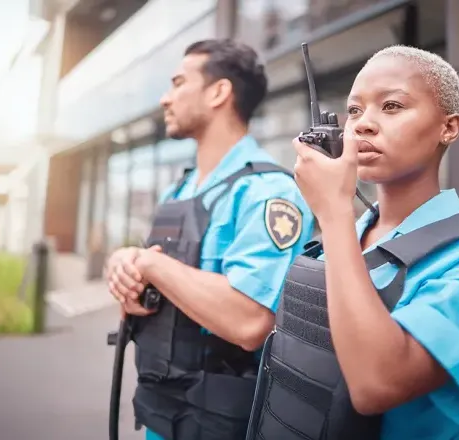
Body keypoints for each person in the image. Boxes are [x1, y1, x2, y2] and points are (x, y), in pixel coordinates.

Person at [244, 45, 459, 440]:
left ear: (448, 127)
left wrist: (334, 213)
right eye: (354, 110)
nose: (363, 124)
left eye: (393, 106)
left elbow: (375, 385)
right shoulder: (341, 239)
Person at [103, 38, 315, 440]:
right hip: (160, 412)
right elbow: (154, 290)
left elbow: (250, 319)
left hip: (220, 423)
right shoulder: (178, 191)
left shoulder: (270, 193)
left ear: (219, 92)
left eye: (179, 83)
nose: (166, 99)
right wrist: (125, 272)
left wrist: (149, 263)